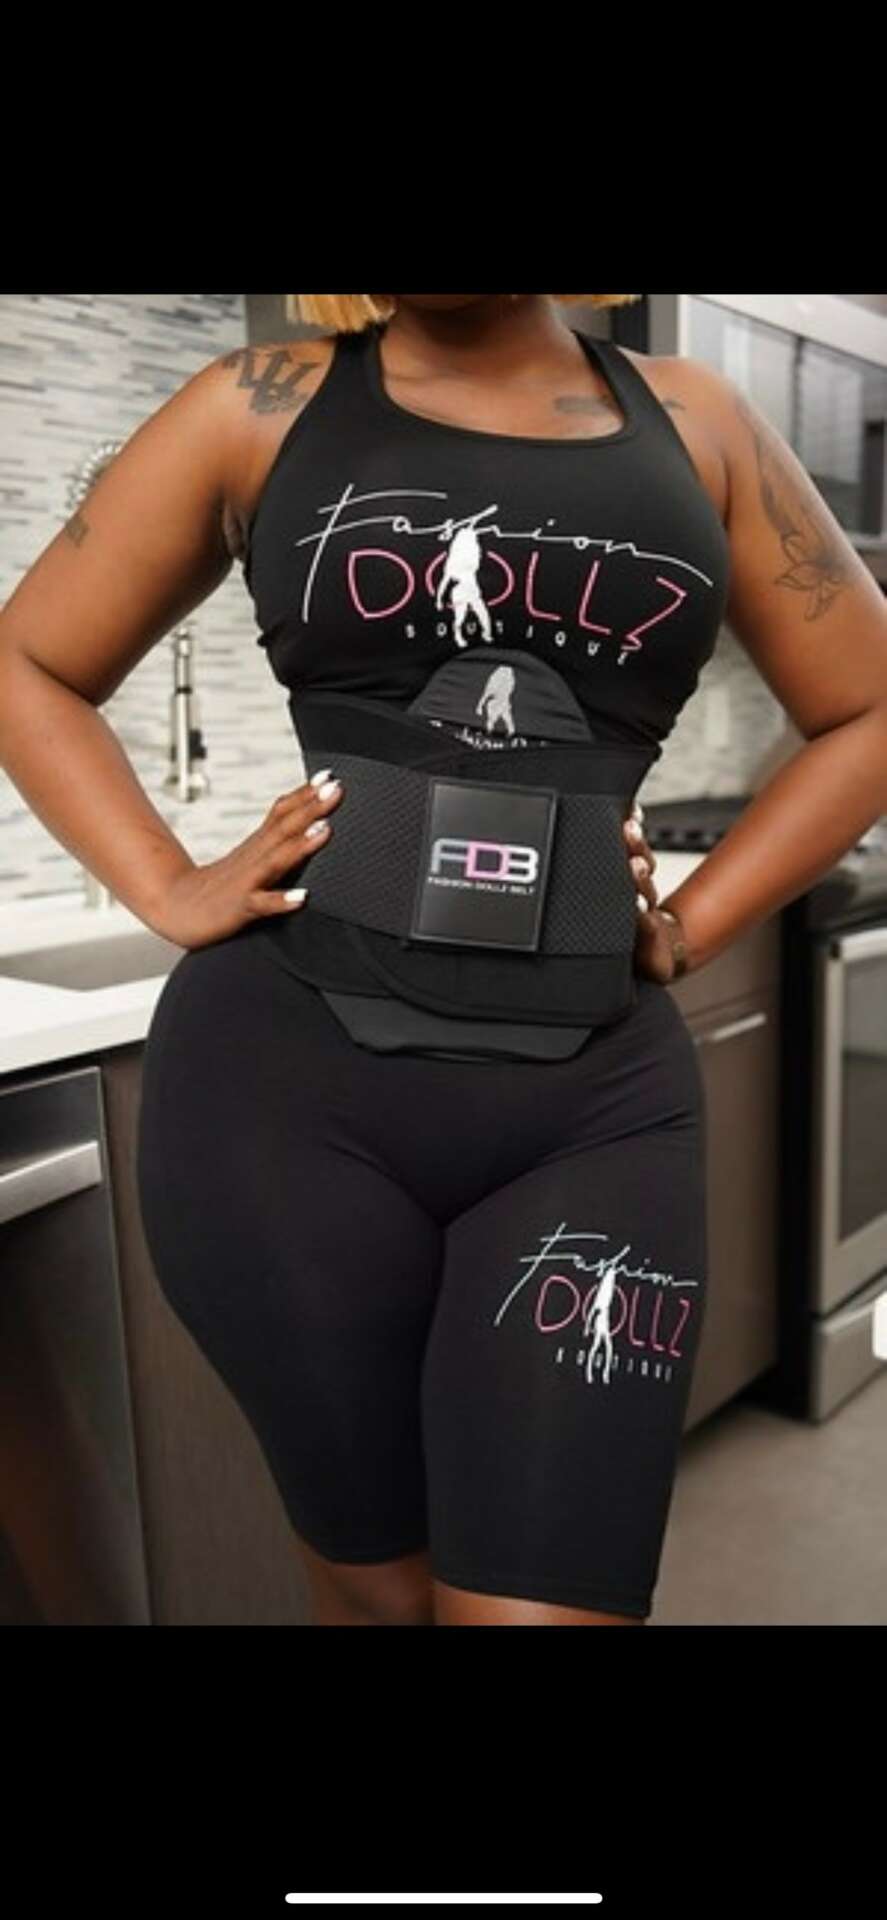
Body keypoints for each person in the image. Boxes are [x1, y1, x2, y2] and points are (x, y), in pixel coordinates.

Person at [2, 292, 886, 1629]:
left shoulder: (698, 423)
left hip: (594, 1115)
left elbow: (870, 706)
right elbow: (28, 661)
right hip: (282, 1101)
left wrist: (696, 922)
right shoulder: (260, 406)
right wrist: (167, 884)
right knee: (378, 1596)